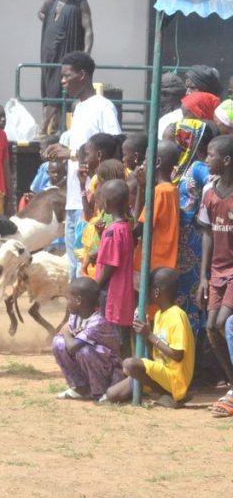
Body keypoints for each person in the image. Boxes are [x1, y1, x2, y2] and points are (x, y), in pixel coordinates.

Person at [42, 51, 121, 280]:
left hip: (92, 202)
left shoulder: (103, 106)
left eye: (67, 75)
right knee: (74, 267)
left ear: (82, 75)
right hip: (75, 199)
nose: (63, 81)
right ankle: (76, 316)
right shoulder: (78, 107)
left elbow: (114, 145)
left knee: (86, 266)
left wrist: (71, 154)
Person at [104, 267, 194, 407]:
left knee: (129, 364)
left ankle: (169, 396)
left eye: (149, 289)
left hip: (175, 378)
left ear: (156, 291)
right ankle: (161, 392)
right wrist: (145, 336)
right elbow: (155, 354)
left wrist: (150, 335)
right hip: (160, 372)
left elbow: (177, 355)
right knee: (112, 394)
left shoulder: (177, 316)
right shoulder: (159, 315)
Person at [38, 0, 94, 137]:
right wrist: (52, 25)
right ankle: (56, 129)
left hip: (68, 52)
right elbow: (40, 14)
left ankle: (42, 128)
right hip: (48, 53)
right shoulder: (50, 0)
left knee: (58, 88)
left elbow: (88, 30)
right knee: (49, 90)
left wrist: (85, 54)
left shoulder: (80, 2)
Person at [197, 134, 233, 399]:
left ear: (227, 160)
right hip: (217, 271)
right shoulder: (209, 192)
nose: (207, 159)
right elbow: (207, 233)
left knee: (223, 322)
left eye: (211, 155)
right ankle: (231, 382)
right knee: (210, 327)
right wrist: (203, 276)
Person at [53, 277, 124, 401]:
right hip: (91, 364)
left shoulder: (98, 321)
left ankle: (100, 391)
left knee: (83, 350)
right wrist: (69, 335)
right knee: (58, 343)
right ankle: (80, 388)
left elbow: (72, 346)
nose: (67, 302)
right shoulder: (74, 317)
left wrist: (66, 333)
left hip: (109, 369)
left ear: (78, 300)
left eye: (68, 299)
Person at [173, 119, 214, 332]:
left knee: (192, 290)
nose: (180, 141)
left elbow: (213, 185)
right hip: (180, 237)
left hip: (193, 237)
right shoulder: (182, 167)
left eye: (184, 137)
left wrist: (201, 215)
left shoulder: (198, 167)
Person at [95, 179, 135, 357]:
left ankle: (119, 377)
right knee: (123, 339)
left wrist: (95, 287)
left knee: (113, 339)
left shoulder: (113, 231)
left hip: (112, 294)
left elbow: (110, 264)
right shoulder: (126, 227)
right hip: (123, 293)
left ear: (107, 204)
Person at [132, 140, 180, 282]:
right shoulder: (172, 189)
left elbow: (139, 228)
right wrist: (141, 187)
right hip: (165, 264)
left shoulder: (159, 192)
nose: (142, 165)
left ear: (157, 162)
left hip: (152, 262)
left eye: (146, 160)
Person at [156, 72, 188, 140]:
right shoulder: (190, 114)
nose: (158, 100)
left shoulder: (166, 120)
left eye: (160, 95)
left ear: (168, 95)